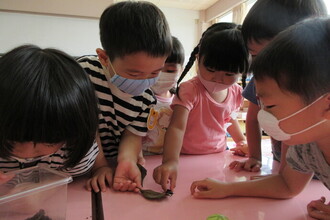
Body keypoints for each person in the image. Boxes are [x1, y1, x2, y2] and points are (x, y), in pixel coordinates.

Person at [190, 17, 330, 219]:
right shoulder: (306, 145)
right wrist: (227, 188)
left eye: (271, 106)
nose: (263, 115)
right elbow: (287, 185)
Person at [78, 1, 172, 192]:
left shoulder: (147, 98)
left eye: (155, 72)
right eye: (134, 74)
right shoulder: (82, 74)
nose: (145, 81)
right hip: (79, 165)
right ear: (104, 58)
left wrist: (127, 160)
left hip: (111, 167)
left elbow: (132, 133)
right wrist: (100, 165)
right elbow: (84, 126)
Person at [229, 0, 328, 172]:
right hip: (287, 167)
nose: (264, 66)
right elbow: (252, 119)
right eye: (254, 55)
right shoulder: (262, 82)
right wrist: (254, 156)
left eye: (273, 55)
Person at [153, 22, 249, 191]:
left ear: (242, 72)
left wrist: (241, 141)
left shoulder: (236, 92)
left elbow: (228, 119)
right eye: (210, 69)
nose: (217, 79)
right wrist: (170, 161)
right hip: (184, 157)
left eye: (229, 74)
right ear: (198, 59)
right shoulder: (190, 89)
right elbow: (176, 127)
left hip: (219, 155)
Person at [0, 44, 100, 184]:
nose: (27, 153)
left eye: (49, 142)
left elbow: (66, 179)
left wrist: (43, 190)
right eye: (14, 139)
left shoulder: (73, 153)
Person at [142, 36, 185, 155]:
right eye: (154, 70)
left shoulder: (182, 100)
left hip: (171, 159)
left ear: (181, 70)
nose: (161, 75)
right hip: (142, 158)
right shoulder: (138, 98)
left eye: (170, 71)